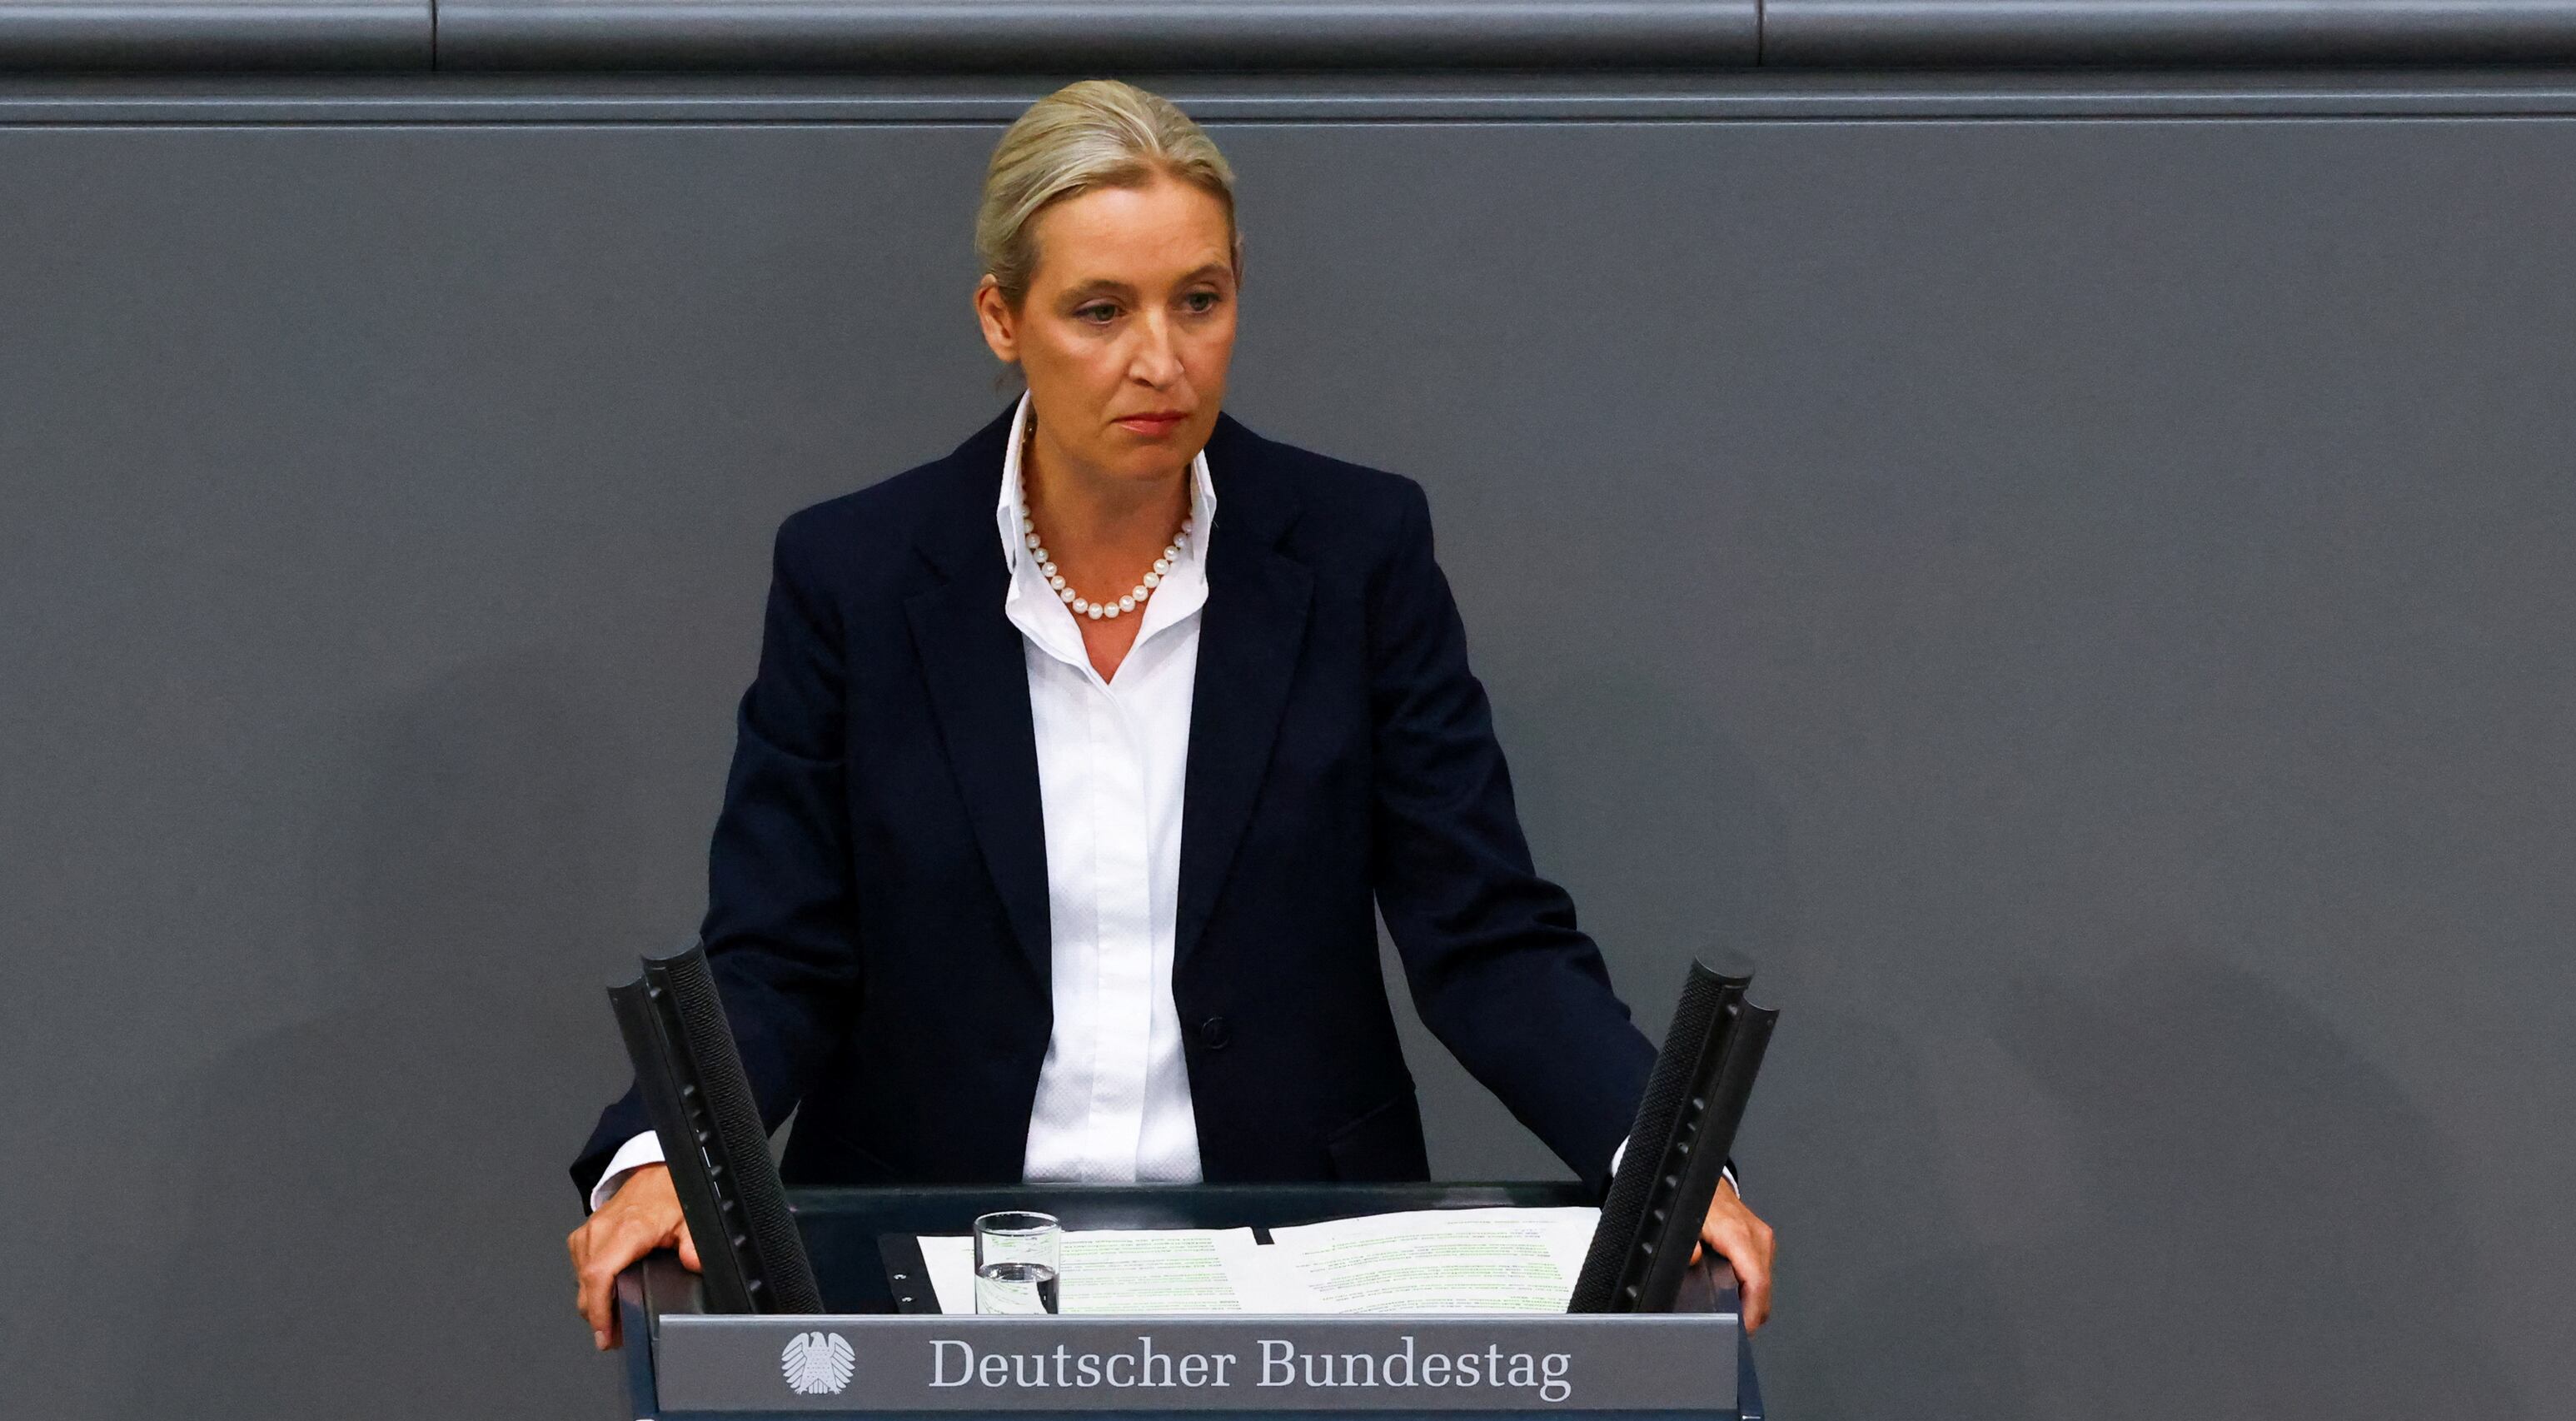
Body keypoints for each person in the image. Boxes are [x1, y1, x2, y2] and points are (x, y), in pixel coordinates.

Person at [567, 78, 1775, 1347]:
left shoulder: (1357, 555)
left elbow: (1484, 934)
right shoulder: (857, 579)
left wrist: (1668, 1165)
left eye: (1199, 300)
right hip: (925, 1262)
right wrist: (662, 1156)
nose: (1163, 358)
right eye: (1102, 310)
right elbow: (779, 957)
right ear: (1002, 319)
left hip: (1290, 1265)